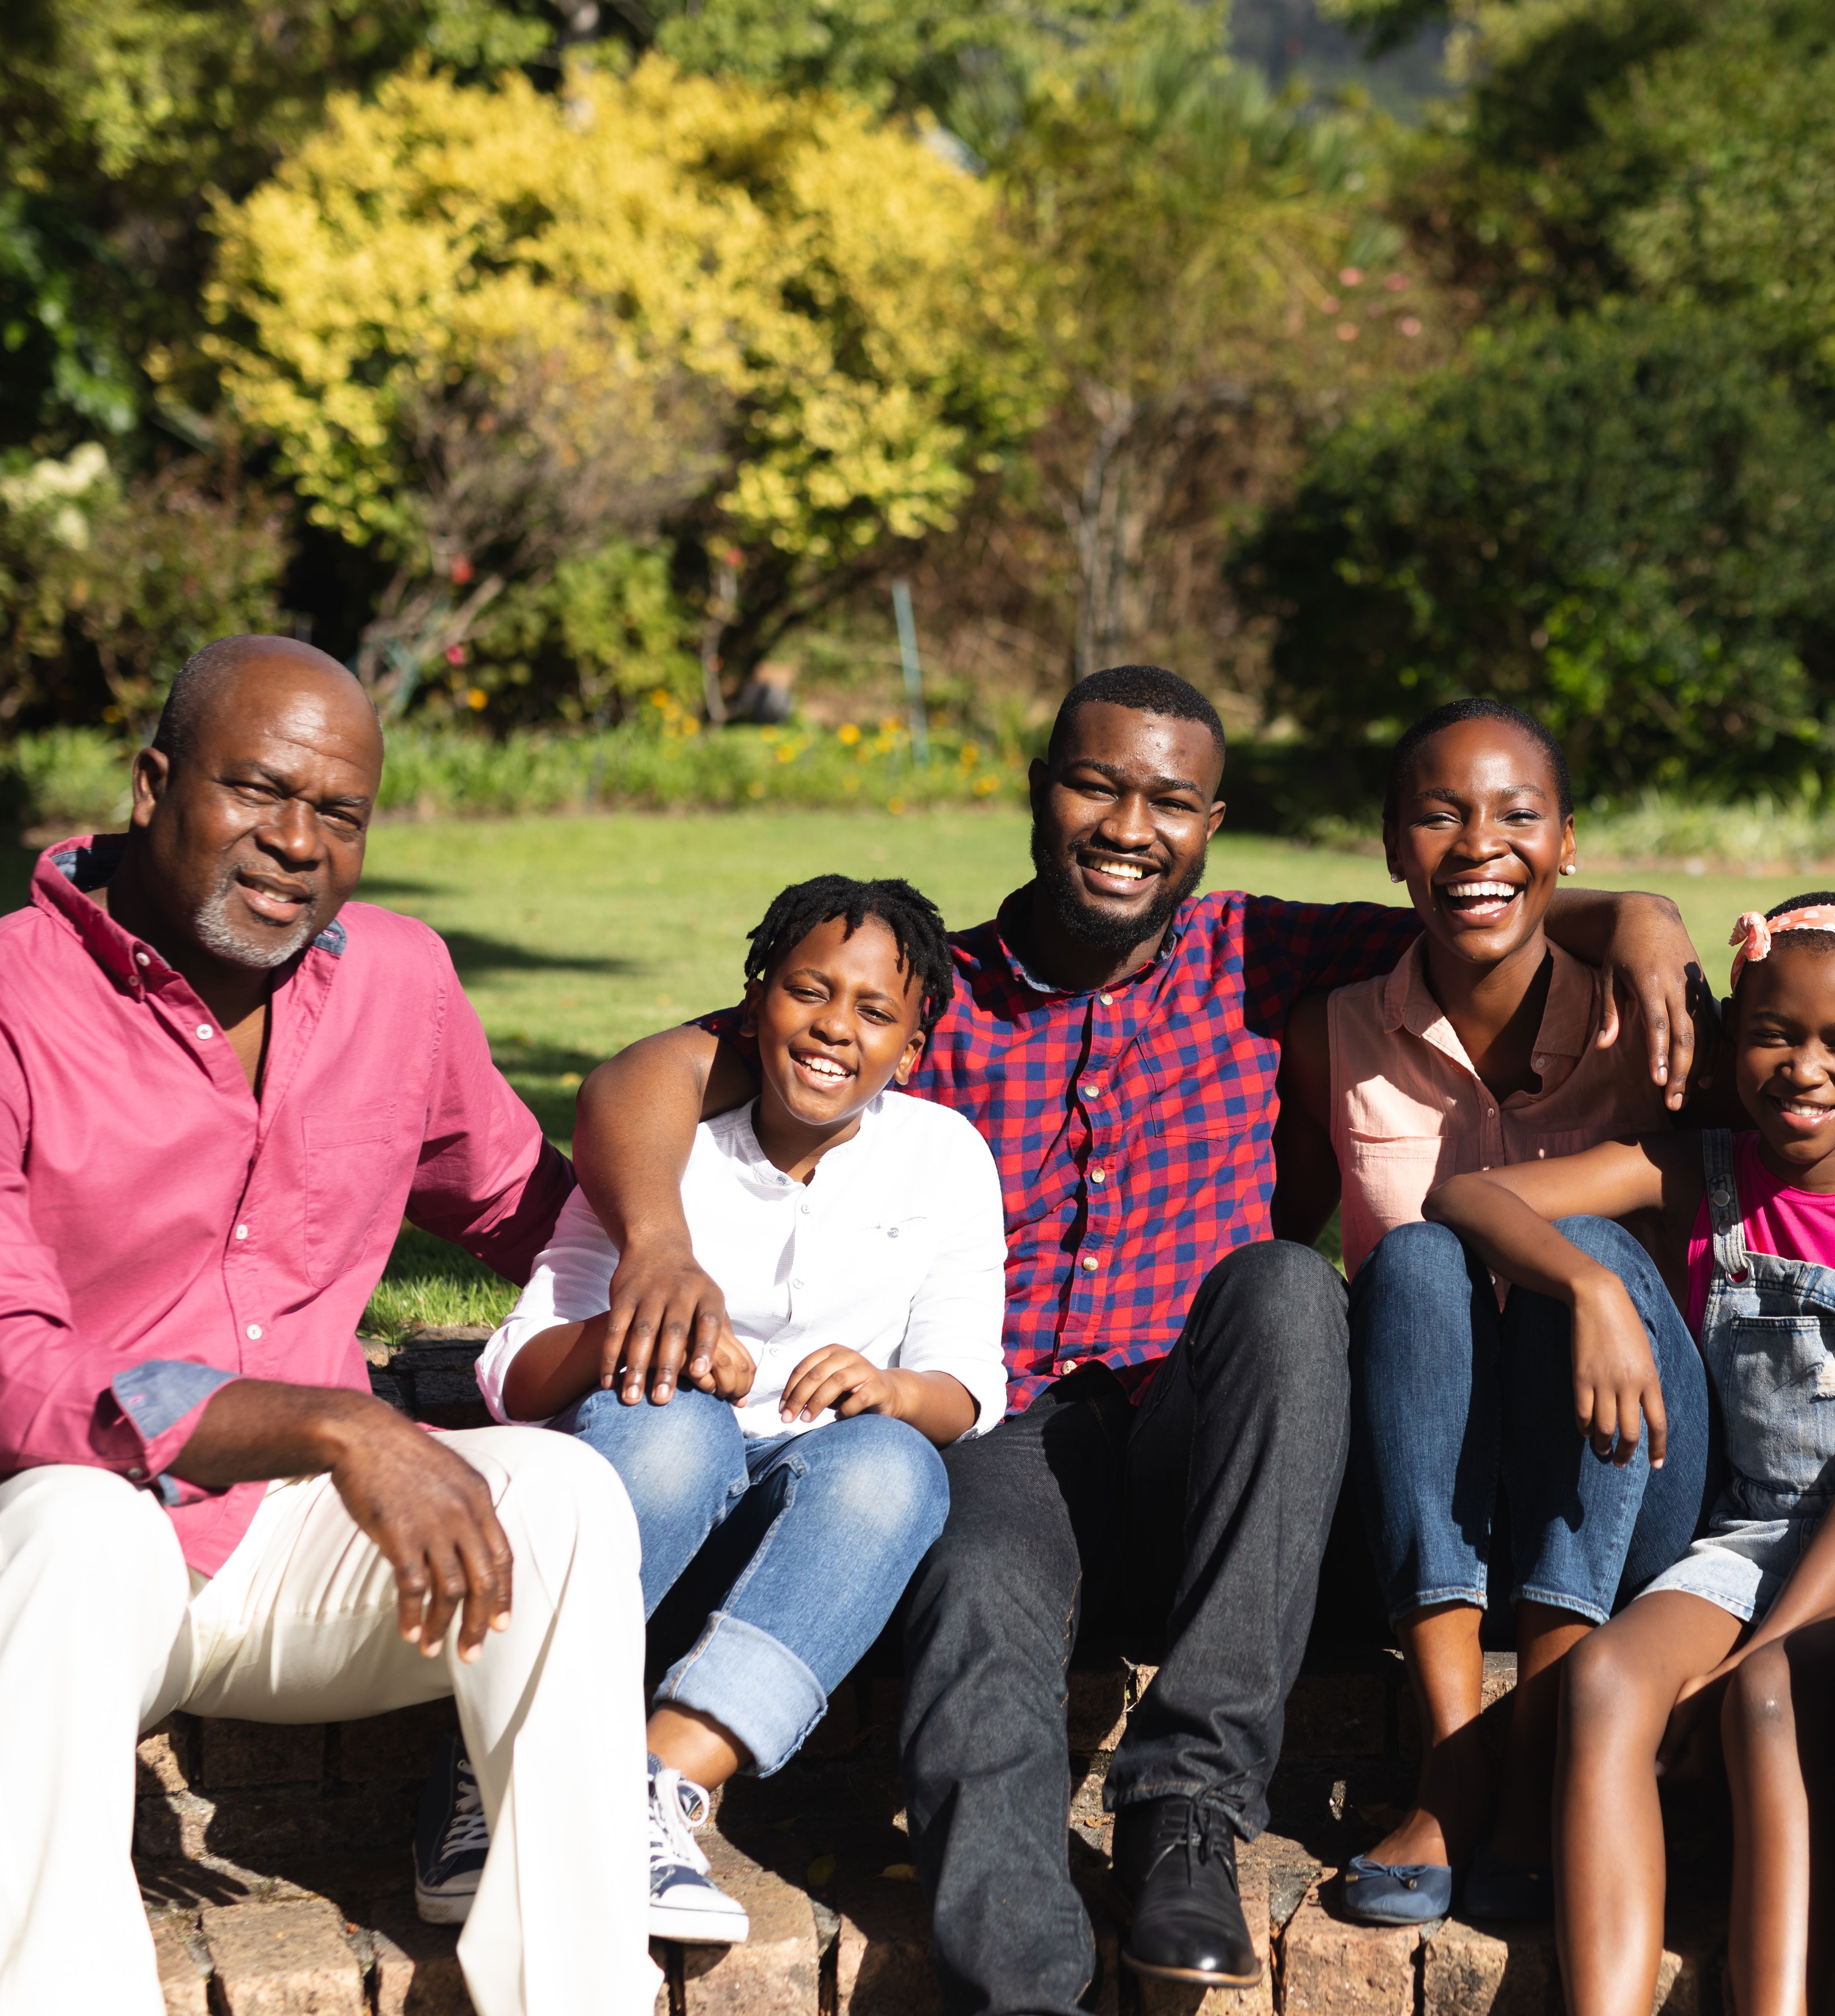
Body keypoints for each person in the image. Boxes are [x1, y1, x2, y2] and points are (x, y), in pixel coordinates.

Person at [566, 665, 1707, 2014]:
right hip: (1009, 1431)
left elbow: (1471, 899)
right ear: (1043, 794)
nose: (1128, 826)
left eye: (1168, 800)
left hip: (1206, 1437)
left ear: (1211, 824)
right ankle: (1025, 1983)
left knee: (1287, 1287)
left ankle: (1186, 1816)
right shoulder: (928, 998)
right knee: (979, 1592)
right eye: (1097, 785)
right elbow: (658, 1070)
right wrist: (654, 1243)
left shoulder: (1256, 950)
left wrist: (1637, 917)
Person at [0, 636, 661, 2016]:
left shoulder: (398, 982)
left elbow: (524, 1202)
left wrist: (673, 1244)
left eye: (339, 814)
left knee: (569, 1497)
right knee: (76, 1524)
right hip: (28, 1560)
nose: (298, 843)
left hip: (288, 1562)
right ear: (153, 786)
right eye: (258, 792)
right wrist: (330, 1423)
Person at [1419, 893, 1835, 2011]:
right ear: (1733, 1032)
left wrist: (1755, 1656)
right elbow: (1467, 1195)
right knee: (1603, 1684)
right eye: (1776, 1034)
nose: (1805, 1071)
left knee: (1768, 1707)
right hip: (1739, 1535)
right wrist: (1589, 1282)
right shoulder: (1692, 1171)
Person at [472, 875, 1006, 1943]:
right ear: (755, 998)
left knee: (901, 1466)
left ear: (914, 1043)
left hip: (803, 1527)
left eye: (875, 1013)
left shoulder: (942, 1157)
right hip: (643, 1496)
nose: (833, 1030)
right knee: (677, 1427)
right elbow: (515, 1375)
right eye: (810, 991)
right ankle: (491, 1771)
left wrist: (891, 1389)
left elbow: (964, 1387)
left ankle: (657, 1788)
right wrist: (647, 1327)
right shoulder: (668, 1159)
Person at [1280, 700, 1698, 1929]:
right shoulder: (1331, 1038)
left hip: (1631, 1483)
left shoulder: (1655, 1020)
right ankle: (1460, 1761)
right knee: (1412, 1263)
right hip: (1433, 1499)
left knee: (1594, 1241)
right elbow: (1274, 1239)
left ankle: (1549, 1746)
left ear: (1569, 845)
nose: (1479, 845)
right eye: (1440, 816)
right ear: (1392, 846)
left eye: (1518, 817)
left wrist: (1598, 1281)